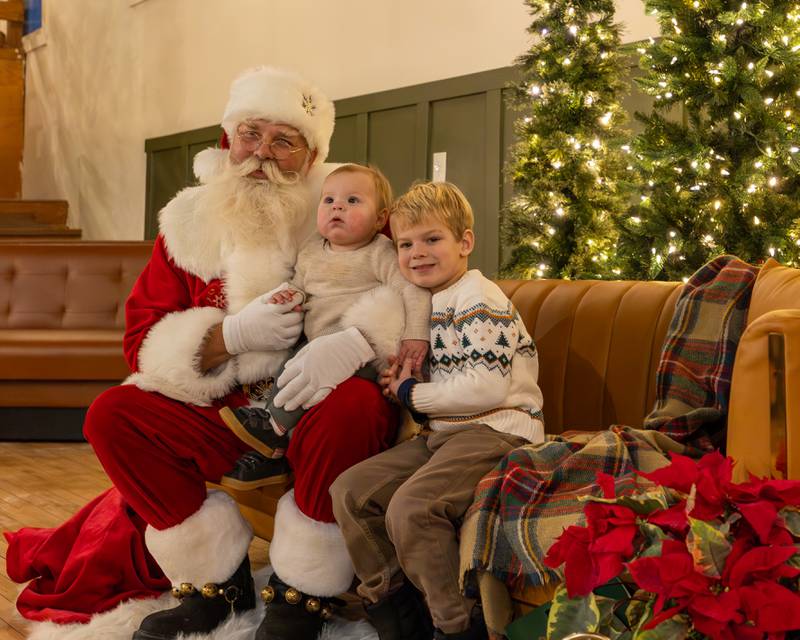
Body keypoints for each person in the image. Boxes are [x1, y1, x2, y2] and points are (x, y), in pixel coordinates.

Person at [5, 67, 399, 640]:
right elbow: (142, 338)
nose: (261, 153)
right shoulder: (188, 224)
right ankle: (215, 580)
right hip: (228, 415)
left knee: (358, 406)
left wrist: (356, 340)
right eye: (250, 133)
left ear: (312, 156)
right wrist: (229, 337)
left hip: (319, 405)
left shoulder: (342, 206)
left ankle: (305, 593)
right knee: (112, 416)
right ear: (227, 138)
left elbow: (407, 288)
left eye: (284, 140)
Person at [330, 182, 546, 640]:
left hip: (497, 430)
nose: (417, 253)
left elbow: (485, 388)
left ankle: (458, 626)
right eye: (406, 244)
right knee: (350, 492)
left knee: (412, 507)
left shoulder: (478, 299)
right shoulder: (426, 301)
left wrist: (412, 394)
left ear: (464, 243)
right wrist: (403, 384)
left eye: (432, 239)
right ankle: (397, 612)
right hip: (444, 435)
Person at [218, 163, 430, 489]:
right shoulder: (311, 250)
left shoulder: (379, 252)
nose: (338, 207)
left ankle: (271, 430)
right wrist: (290, 295)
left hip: (358, 349)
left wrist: (416, 334)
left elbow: (411, 290)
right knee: (290, 373)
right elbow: (302, 286)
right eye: (328, 200)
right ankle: (274, 449)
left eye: (353, 201)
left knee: (312, 384)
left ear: (380, 218)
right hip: (314, 342)